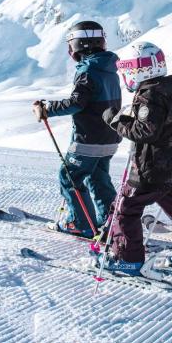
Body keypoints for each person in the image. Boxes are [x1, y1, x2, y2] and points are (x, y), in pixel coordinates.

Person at [98, 41, 172, 276]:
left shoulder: (149, 95)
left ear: (140, 69)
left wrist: (116, 120)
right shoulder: (167, 91)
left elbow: (146, 130)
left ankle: (126, 259)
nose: (125, 76)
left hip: (150, 169)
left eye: (127, 69)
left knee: (127, 209)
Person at [33, 20, 121, 238]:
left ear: (79, 45)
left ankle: (80, 223)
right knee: (98, 179)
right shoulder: (109, 68)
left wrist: (47, 109)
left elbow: (76, 103)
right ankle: (112, 224)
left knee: (69, 177)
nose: (69, 49)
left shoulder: (88, 70)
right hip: (109, 138)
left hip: (88, 140)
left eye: (70, 44)